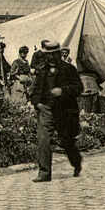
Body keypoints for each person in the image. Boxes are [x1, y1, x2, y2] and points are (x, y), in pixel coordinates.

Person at [30, 40, 83, 182]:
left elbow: (79, 88)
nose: (50, 58)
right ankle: (44, 173)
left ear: (58, 54)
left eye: (53, 54)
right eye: (48, 55)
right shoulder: (42, 70)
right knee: (43, 140)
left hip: (64, 111)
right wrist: (37, 103)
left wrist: (63, 90)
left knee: (66, 142)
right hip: (46, 109)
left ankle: (76, 162)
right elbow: (35, 91)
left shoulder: (68, 69)